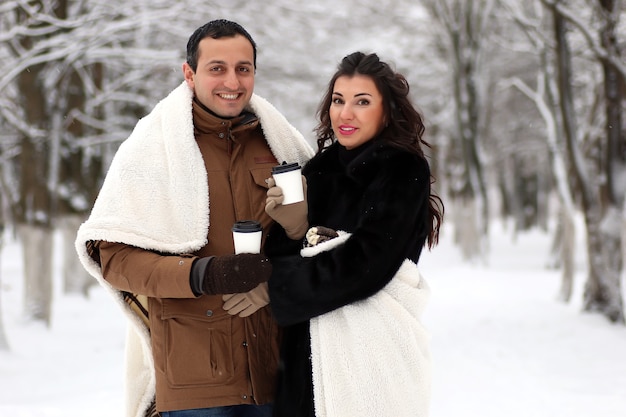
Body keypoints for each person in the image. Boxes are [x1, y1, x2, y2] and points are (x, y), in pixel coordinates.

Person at [75, 19, 314, 417]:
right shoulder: (151, 148)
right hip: (197, 384)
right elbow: (112, 258)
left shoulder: (281, 144)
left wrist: (298, 229)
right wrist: (203, 274)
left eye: (243, 69)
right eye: (216, 68)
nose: (232, 82)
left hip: (282, 371)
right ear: (189, 73)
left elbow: (321, 244)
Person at [263, 51, 444, 417]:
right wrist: (293, 229)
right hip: (304, 361)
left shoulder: (402, 170)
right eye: (338, 100)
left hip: (373, 354)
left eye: (362, 102)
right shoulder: (318, 170)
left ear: (387, 110)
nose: (345, 114)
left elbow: (366, 263)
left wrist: (273, 284)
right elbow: (282, 252)